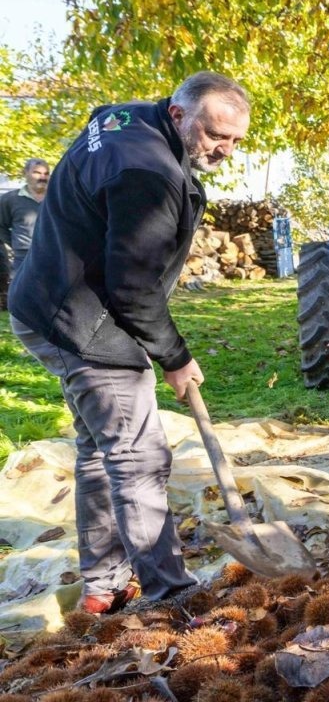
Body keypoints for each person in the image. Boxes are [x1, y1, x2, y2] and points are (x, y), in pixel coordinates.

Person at [7, 71, 251, 613]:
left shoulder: (124, 117)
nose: (226, 150)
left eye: (236, 140)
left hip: (46, 303)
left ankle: (104, 585)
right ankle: (169, 593)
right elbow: (133, 286)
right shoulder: (148, 172)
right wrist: (175, 357)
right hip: (81, 320)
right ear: (181, 114)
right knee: (138, 453)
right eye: (216, 136)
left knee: (101, 450)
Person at [0, 158, 49, 310]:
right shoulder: (10, 199)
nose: (43, 177)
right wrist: (16, 243)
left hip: (54, 254)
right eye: (37, 172)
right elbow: (0, 226)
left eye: (46, 173)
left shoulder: (57, 197)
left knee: (52, 297)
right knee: (23, 298)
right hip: (24, 256)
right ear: (25, 173)